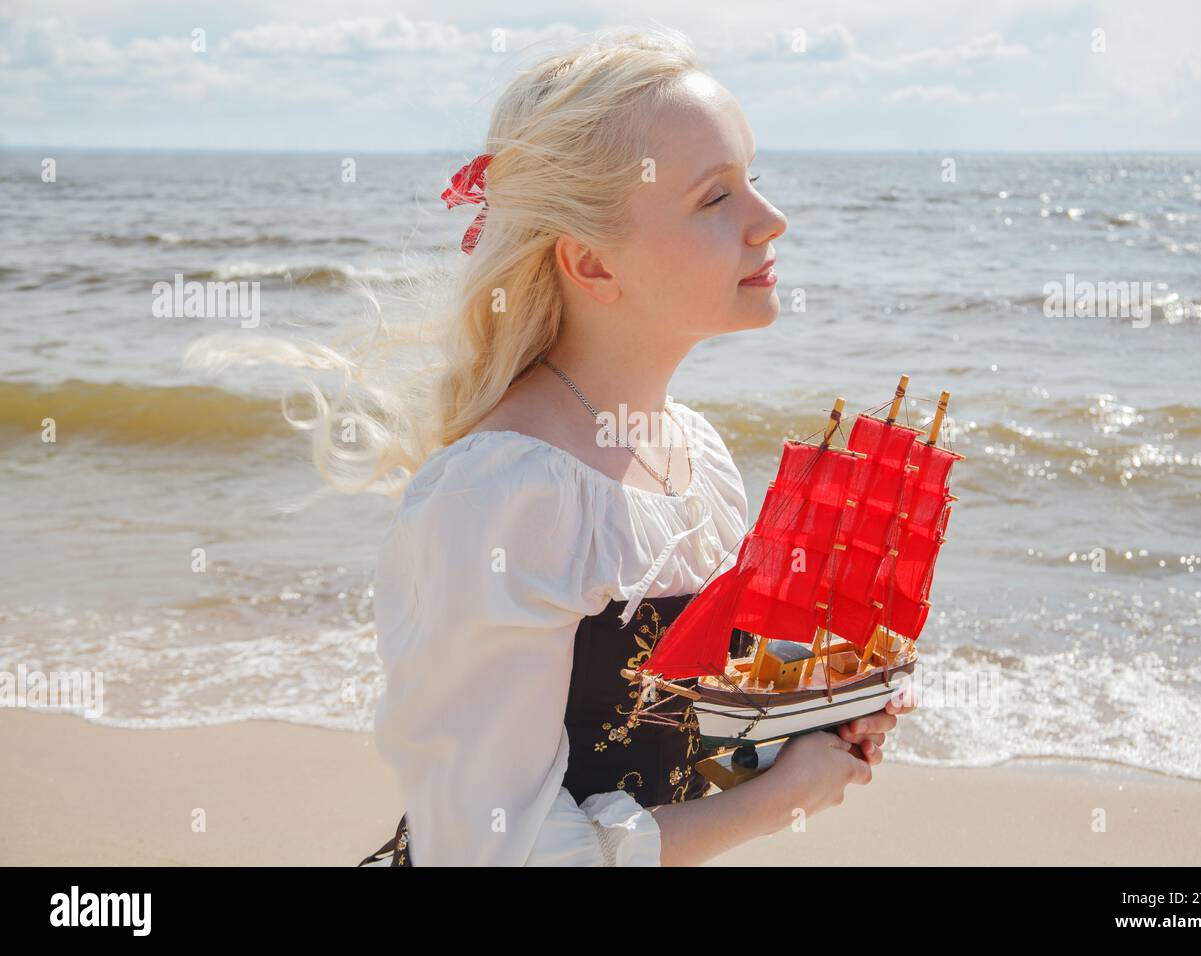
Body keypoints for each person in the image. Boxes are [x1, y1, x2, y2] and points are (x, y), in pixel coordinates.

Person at [194, 25, 916, 867]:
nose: (771, 219)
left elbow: (676, 747)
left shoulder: (696, 455)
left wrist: (815, 723)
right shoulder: (504, 496)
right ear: (592, 266)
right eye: (715, 198)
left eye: (753, 180)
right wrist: (776, 803)